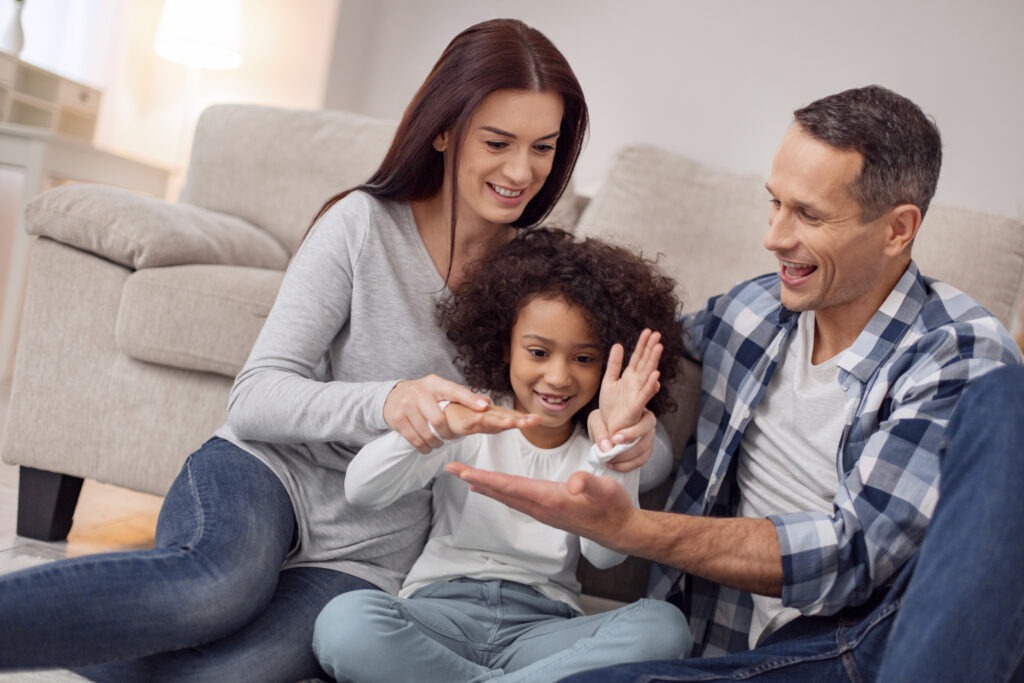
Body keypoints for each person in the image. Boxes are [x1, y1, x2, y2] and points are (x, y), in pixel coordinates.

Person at [0, 19, 659, 682]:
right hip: (270, 473)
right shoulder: (363, 225)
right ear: (442, 131)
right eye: (498, 142)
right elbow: (256, 395)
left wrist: (634, 436)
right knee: (216, 587)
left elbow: (593, 419)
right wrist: (389, 401)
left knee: (231, 675)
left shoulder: (538, 280)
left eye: (542, 147)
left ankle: (83, 622)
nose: (521, 171)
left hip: (376, 545)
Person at [450, 84, 1024, 681]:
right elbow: (604, 343)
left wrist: (633, 529)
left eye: (808, 214)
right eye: (774, 203)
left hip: (861, 647)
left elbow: (853, 554)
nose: (774, 236)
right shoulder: (752, 312)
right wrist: (612, 415)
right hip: (736, 657)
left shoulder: (955, 354)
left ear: (898, 229)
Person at [311, 227, 692, 682]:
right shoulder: (469, 419)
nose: (557, 377)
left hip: (545, 631)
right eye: (537, 352)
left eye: (584, 359)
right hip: (440, 615)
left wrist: (611, 447)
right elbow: (361, 490)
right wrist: (437, 426)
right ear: (504, 345)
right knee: (344, 622)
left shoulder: (598, 448)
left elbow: (605, 557)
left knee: (664, 627)